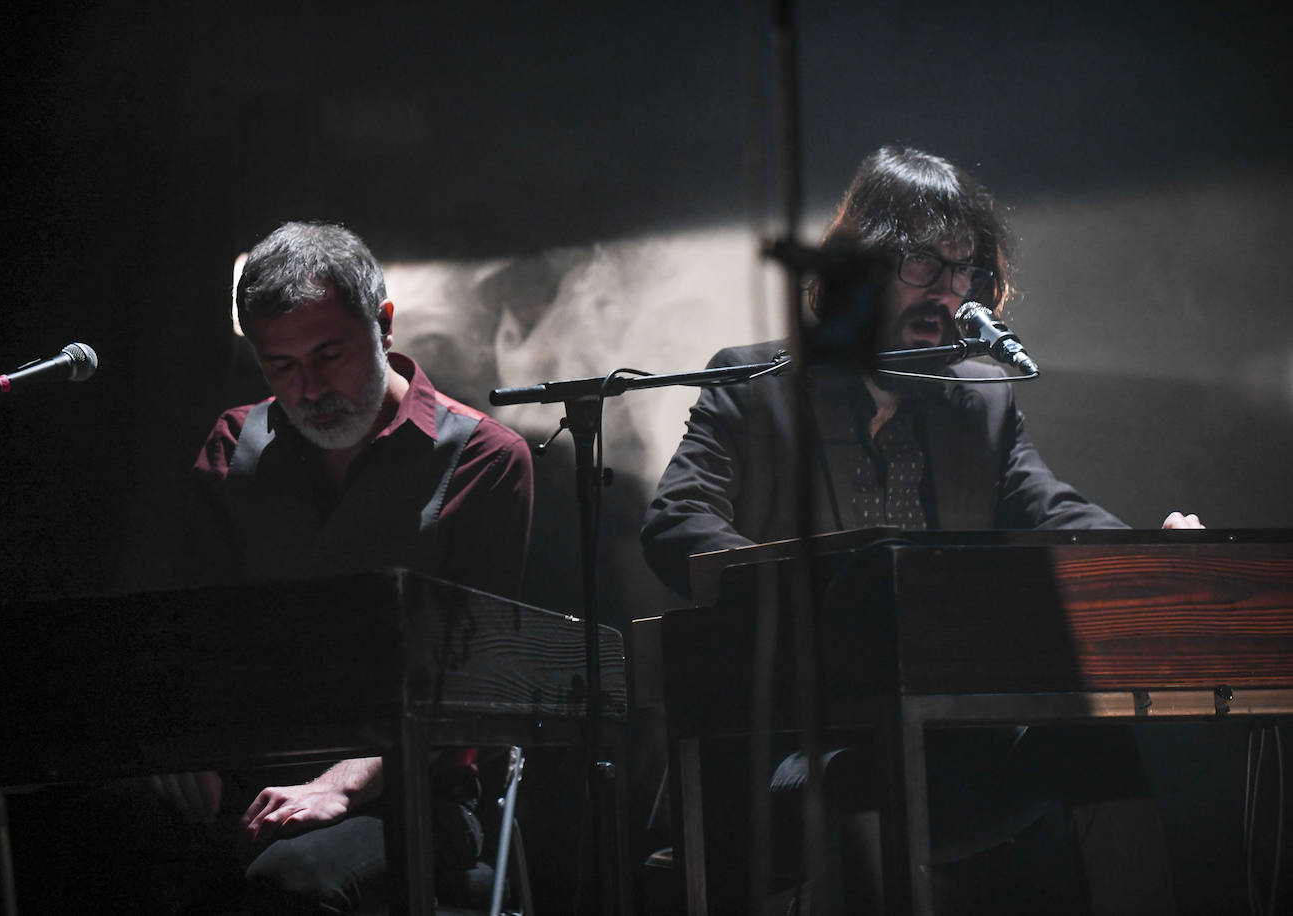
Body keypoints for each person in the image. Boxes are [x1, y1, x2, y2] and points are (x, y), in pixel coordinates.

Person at [640, 147, 1202, 913]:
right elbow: (677, 521)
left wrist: (1153, 557)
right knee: (866, 775)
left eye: (966, 271)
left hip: (943, 745)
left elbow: (1052, 511)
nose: (952, 292)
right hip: (792, 748)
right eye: (926, 268)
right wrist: (822, 604)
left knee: (1096, 745)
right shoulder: (755, 389)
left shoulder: (981, 402)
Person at [168, 221, 534, 914]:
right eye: (280, 367)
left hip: (411, 795)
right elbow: (192, 638)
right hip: (248, 782)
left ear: (385, 325)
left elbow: (475, 681)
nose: (308, 389)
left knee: (289, 885)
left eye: (328, 354)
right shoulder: (233, 446)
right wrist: (182, 750)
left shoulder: (484, 458)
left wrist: (343, 782)